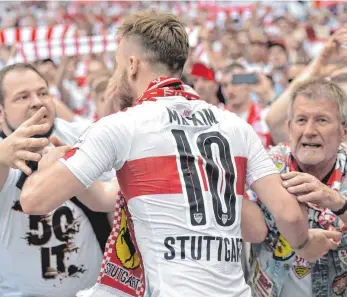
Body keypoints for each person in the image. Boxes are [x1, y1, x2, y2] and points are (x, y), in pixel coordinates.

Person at [21, 10, 341, 297]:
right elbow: (287, 214)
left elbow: (34, 201)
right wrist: (303, 243)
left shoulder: (123, 126)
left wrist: (47, 166)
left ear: (132, 64)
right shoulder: (235, 126)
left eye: (119, 64)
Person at [0, 63, 115, 297]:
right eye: (22, 97)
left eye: (43, 93)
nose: (37, 102)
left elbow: (116, 204)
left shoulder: (83, 135)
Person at [249, 79, 347, 297]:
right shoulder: (265, 166)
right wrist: (298, 237)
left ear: (343, 131)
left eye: (322, 120)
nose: (309, 131)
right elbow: (248, 228)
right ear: (289, 128)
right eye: (301, 120)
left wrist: (336, 201)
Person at [220, 63, 272, 147]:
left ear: (248, 84)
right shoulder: (217, 119)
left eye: (235, 83)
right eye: (225, 85)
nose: (229, 90)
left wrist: (268, 93)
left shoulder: (265, 116)